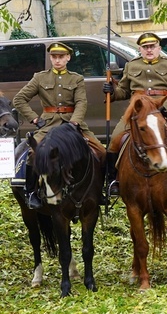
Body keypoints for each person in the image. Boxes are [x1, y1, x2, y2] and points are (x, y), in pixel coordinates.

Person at [102, 32, 167, 197]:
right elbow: (124, 91)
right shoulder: (131, 66)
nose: (149, 50)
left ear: (159, 48)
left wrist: (164, 109)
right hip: (138, 113)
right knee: (115, 140)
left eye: (152, 46)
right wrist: (111, 91)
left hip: (166, 110)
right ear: (140, 49)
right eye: (145, 47)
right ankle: (113, 181)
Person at [13, 42, 106, 209]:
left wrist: (75, 122)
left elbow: (81, 103)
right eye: (54, 57)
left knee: (100, 151)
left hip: (73, 123)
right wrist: (35, 119)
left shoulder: (76, 78)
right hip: (48, 125)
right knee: (34, 153)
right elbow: (19, 99)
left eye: (61, 57)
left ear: (68, 58)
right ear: (50, 58)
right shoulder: (40, 78)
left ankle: (100, 190)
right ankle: (32, 192)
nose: (57, 60)